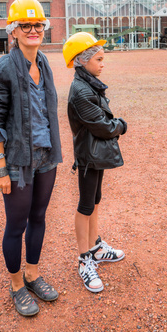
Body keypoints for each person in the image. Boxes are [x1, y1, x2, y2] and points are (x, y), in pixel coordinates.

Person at [0, 0, 62, 316]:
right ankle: (16, 284)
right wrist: (0, 169)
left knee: (39, 218)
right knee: (16, 224)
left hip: (46, 157)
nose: (33, 30)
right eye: (25, 25)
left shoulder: (44, 63)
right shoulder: (0, 70)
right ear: (13, 31)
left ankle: (32, 273)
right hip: (17, 161)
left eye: (38, 25)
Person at [63, 32, 127, 293]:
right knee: (86, 204)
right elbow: (101, 126)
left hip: (95, 154)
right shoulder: (80, 91)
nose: (103, 64)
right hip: (89, 156)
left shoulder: (88, 83)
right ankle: (84, 259)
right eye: (98, 59)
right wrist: (121, 125)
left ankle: (96, 247)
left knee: (95, 201)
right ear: (83, 60)